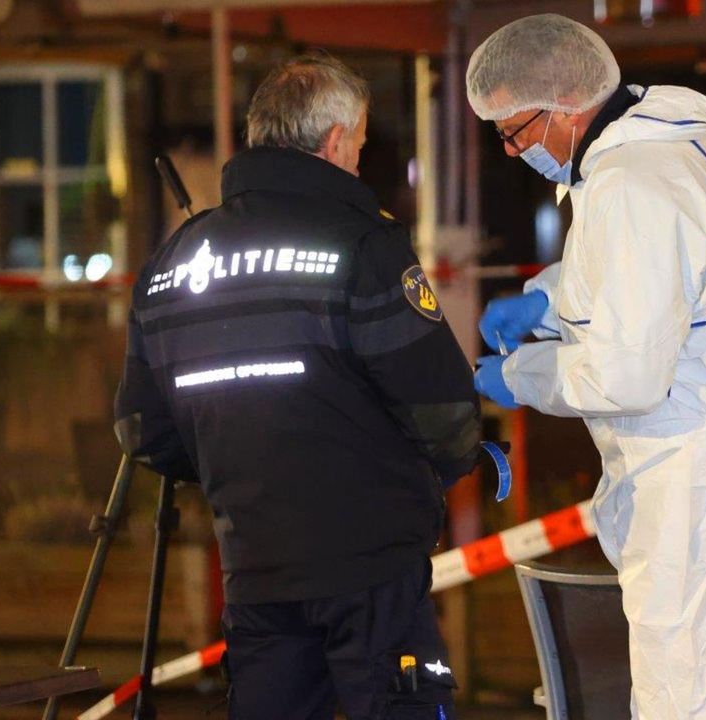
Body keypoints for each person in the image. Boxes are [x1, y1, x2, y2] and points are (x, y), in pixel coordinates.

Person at [466, 14, 706, 720]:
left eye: (516, 130)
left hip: (695, 475)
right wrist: (544, 300)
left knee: (682, 704)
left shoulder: (629, 178)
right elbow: (646, 283)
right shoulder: (658, 152)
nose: (511, 150)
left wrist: (523, 376)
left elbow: (626, 375)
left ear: (566, 106)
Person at [115, 52, 478, 719]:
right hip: (373, 570)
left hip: (255, 569)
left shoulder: (171, 266)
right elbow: (445, 412)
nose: (360, 162)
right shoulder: (364, 247)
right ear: (336, 141)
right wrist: (438, 474)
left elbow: (144, 432)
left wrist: (246, 469)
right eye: (361, 147)